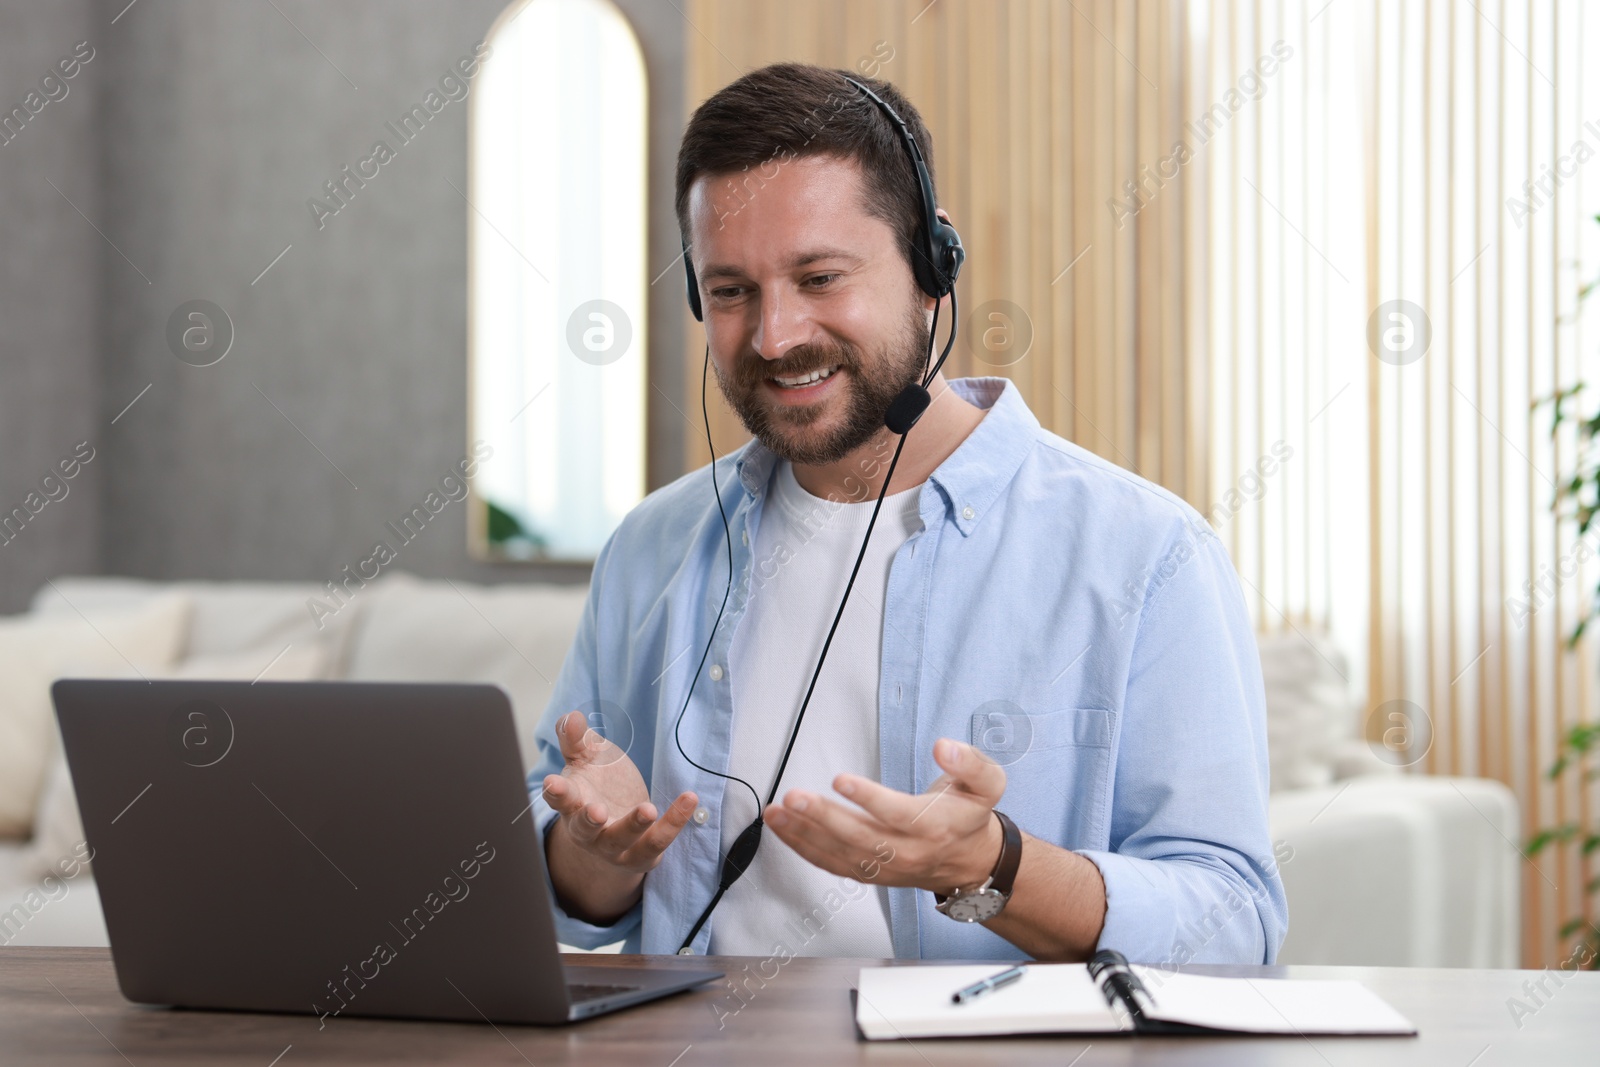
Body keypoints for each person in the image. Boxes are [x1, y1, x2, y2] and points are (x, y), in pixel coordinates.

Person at [525, 62, 1287, 964]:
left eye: (819, 277)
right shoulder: (652, 545)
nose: (775, 336)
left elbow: (1234, 922)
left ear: (934, 269)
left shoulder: (1146, 555)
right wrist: (587, 853)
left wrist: (992, 865)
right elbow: (573, 895)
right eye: (731, 290)